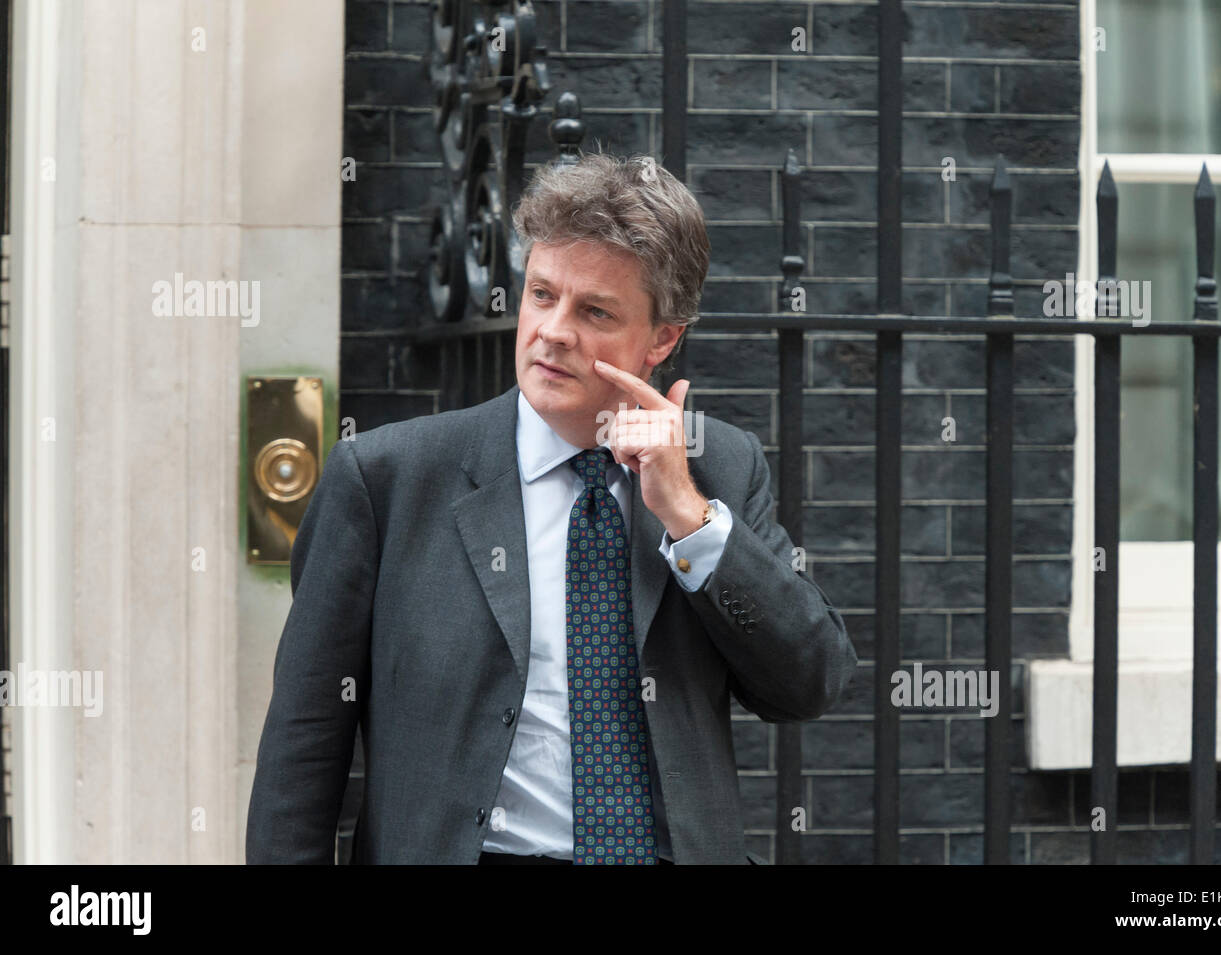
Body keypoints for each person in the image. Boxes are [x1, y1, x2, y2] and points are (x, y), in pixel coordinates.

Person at [245, 151, 858, 865]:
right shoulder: (387, 480)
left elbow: (809, 683)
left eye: (594, 310)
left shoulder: (718, 468)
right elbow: (303, 745)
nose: (553, 330)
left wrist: (689, 516)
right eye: (541, 294)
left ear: (664, 336)